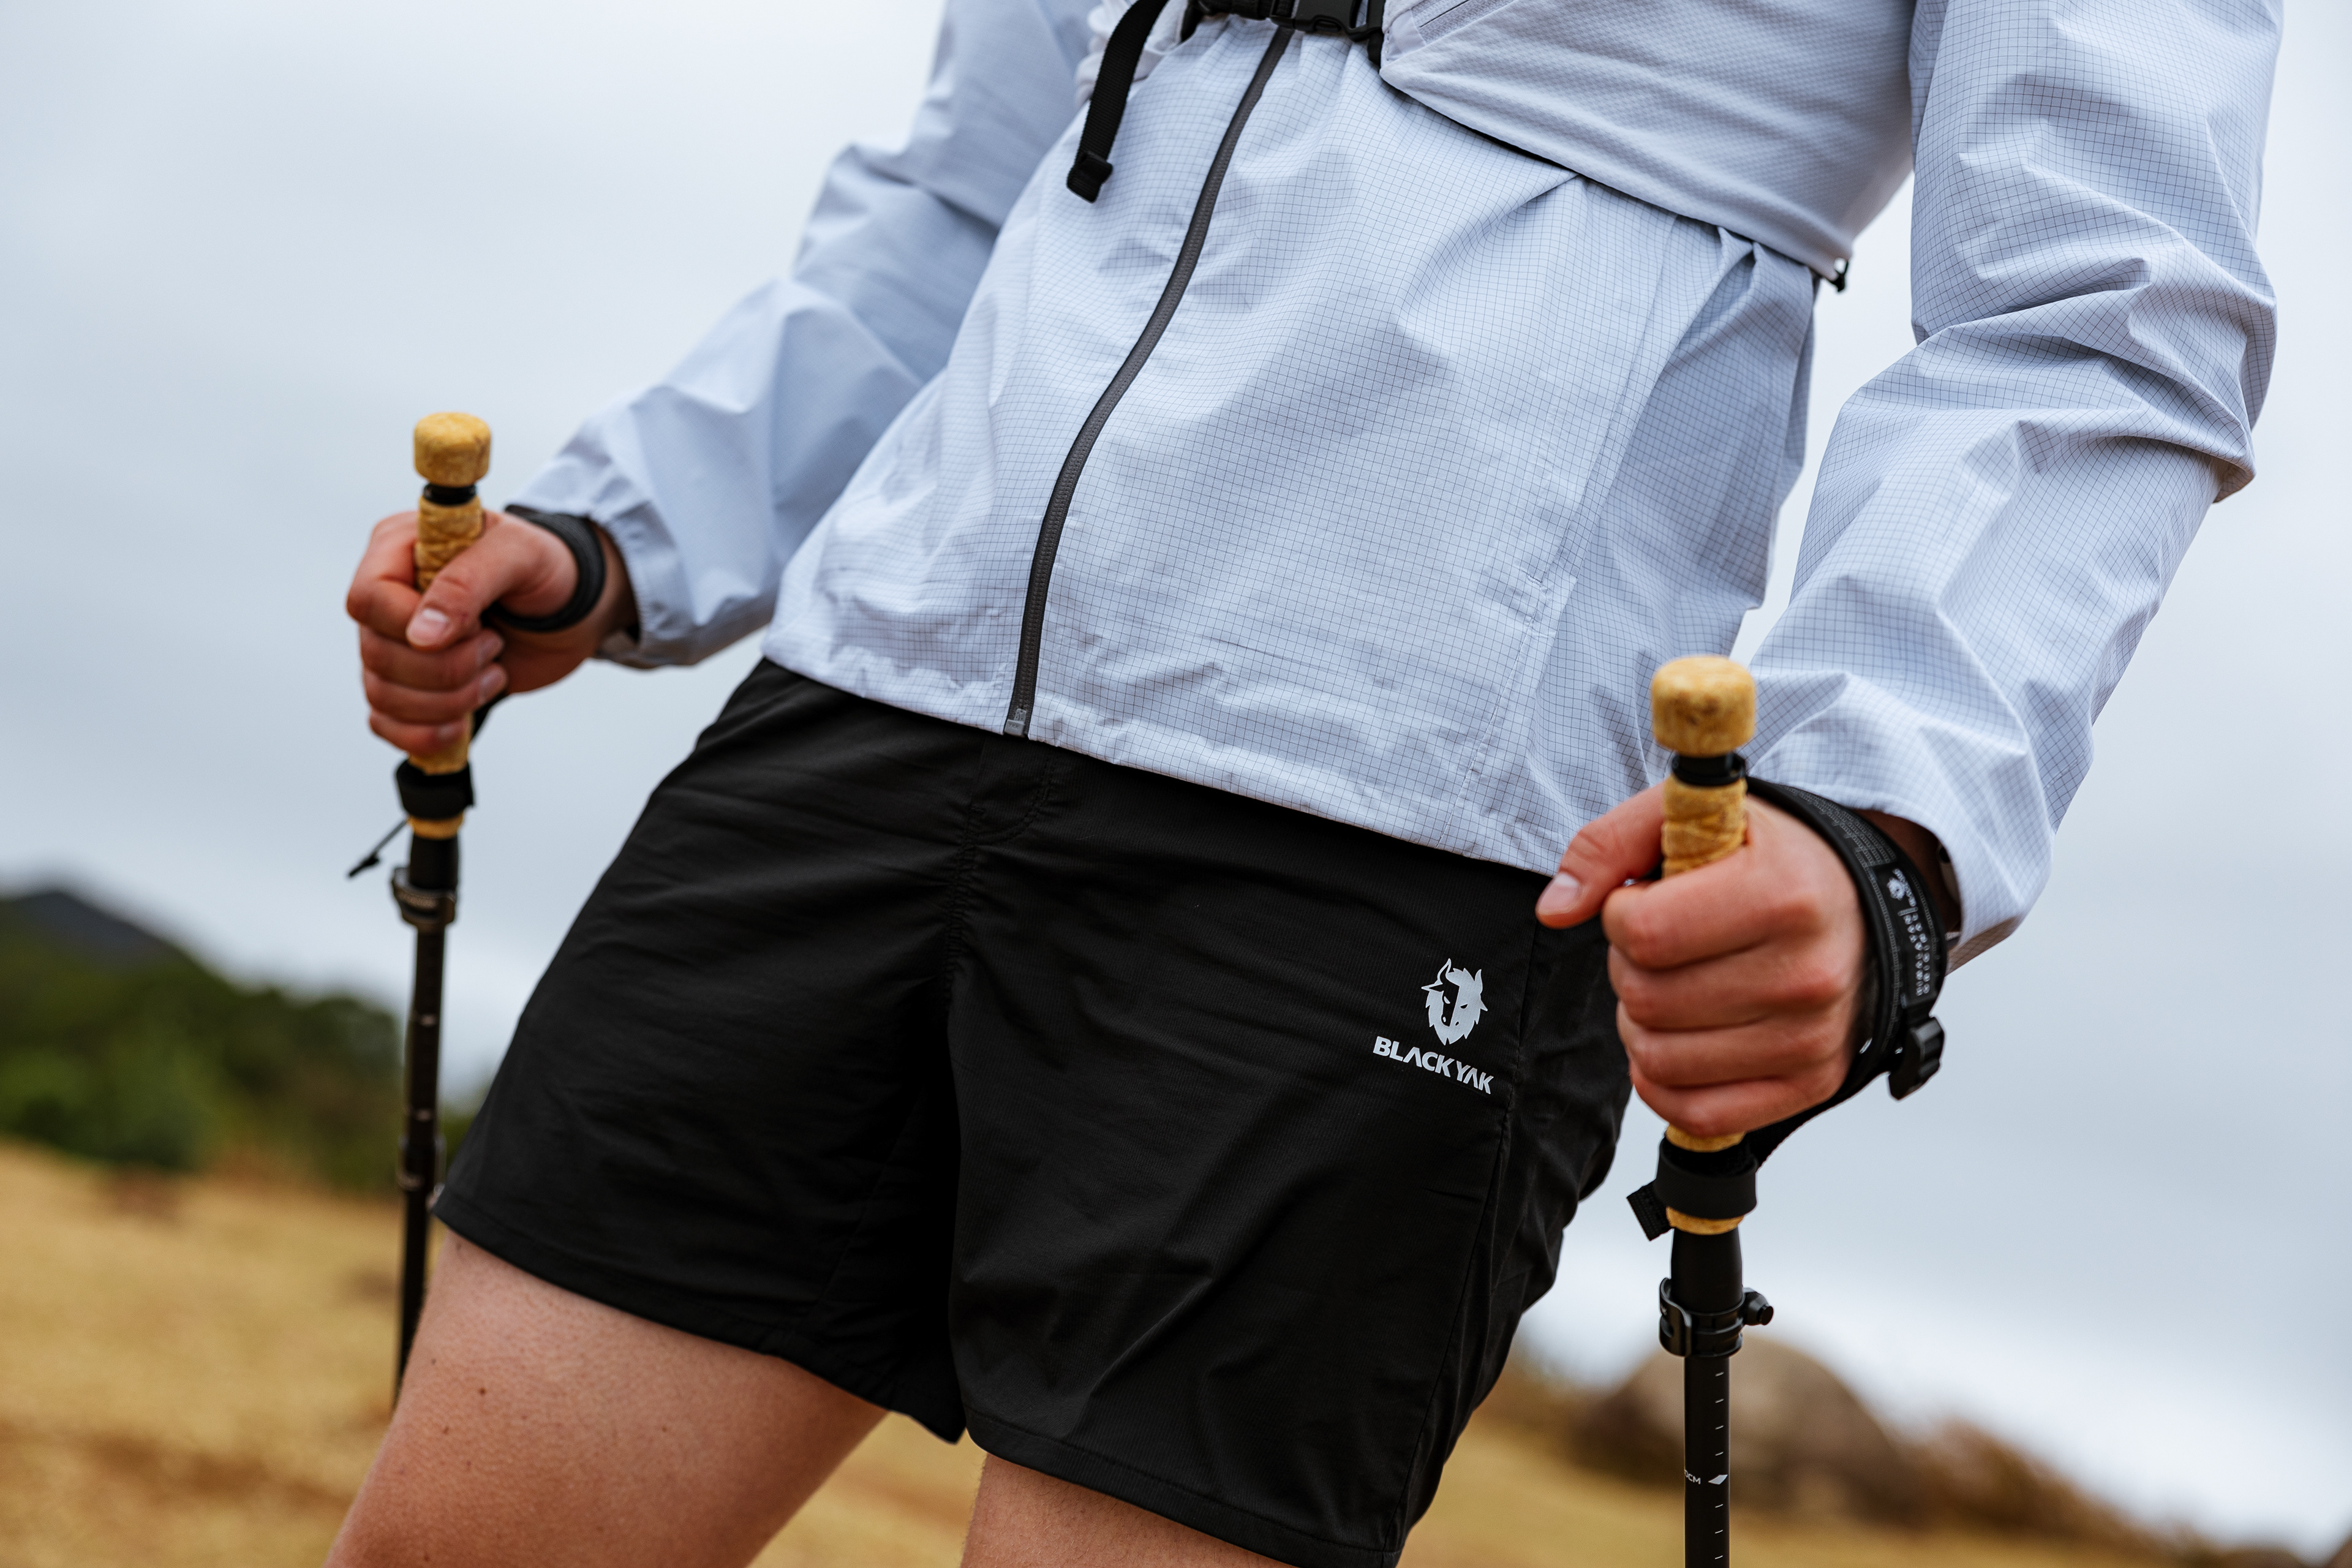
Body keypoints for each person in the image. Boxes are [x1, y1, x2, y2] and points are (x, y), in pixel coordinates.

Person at [329, 0, 2277, 1562]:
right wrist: (632, 530)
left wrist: (1876, 819)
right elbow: (970, 181)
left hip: (1407, 838)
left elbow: (2097, 310)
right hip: (874, 710)